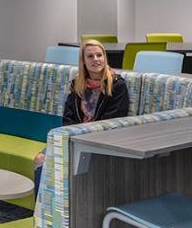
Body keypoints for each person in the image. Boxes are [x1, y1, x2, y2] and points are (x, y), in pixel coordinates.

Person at [33, 39, 129, 193]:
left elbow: (112, 122)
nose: (96, 60)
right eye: (90, 56)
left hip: (98, 141)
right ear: (83, 61)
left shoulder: (117, 85)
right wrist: (70, 138)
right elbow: (68, 117)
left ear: (105, 57)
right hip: (74, 138)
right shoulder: (77, 84)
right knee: (40, 159)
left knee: (58, 163)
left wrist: (80, 137)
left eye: (99, 55)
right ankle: (42, 212)